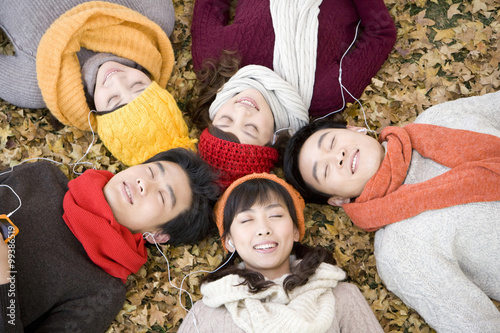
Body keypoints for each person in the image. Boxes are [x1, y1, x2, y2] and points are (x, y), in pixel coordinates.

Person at [283, 91, 500, 332]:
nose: (339, 156)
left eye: (333, 143)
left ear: (355, 129)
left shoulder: (438, 120)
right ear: (337, 200)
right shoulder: (400, 251)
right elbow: (477, 326)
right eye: (324, 170)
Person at [0, 148, 219, 331]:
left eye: (162, 196)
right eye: (151, 171)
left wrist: (4, 280)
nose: (144, 184)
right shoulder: (42, 176)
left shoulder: (101, 291)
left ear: (158, 236)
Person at [189, 0, 396, 188]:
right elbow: (381, 33)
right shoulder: (326, 94)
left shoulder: (214, 61)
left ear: (213, 115)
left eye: (226, 119)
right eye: (250, 128)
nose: (242, 111)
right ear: (273, 139)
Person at [177, 173, 383, 332]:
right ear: (229, 241)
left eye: (275, 215)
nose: (263, 228)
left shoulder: (342, 297)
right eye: (247, 220)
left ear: (295, 231)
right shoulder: (207, 313)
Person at [0, 0, 196, 166]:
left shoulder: (38, 83)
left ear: (97, 113)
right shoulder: (154, 18)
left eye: (113, 100)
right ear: (153, 82)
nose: (117, 79)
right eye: (138, 86)